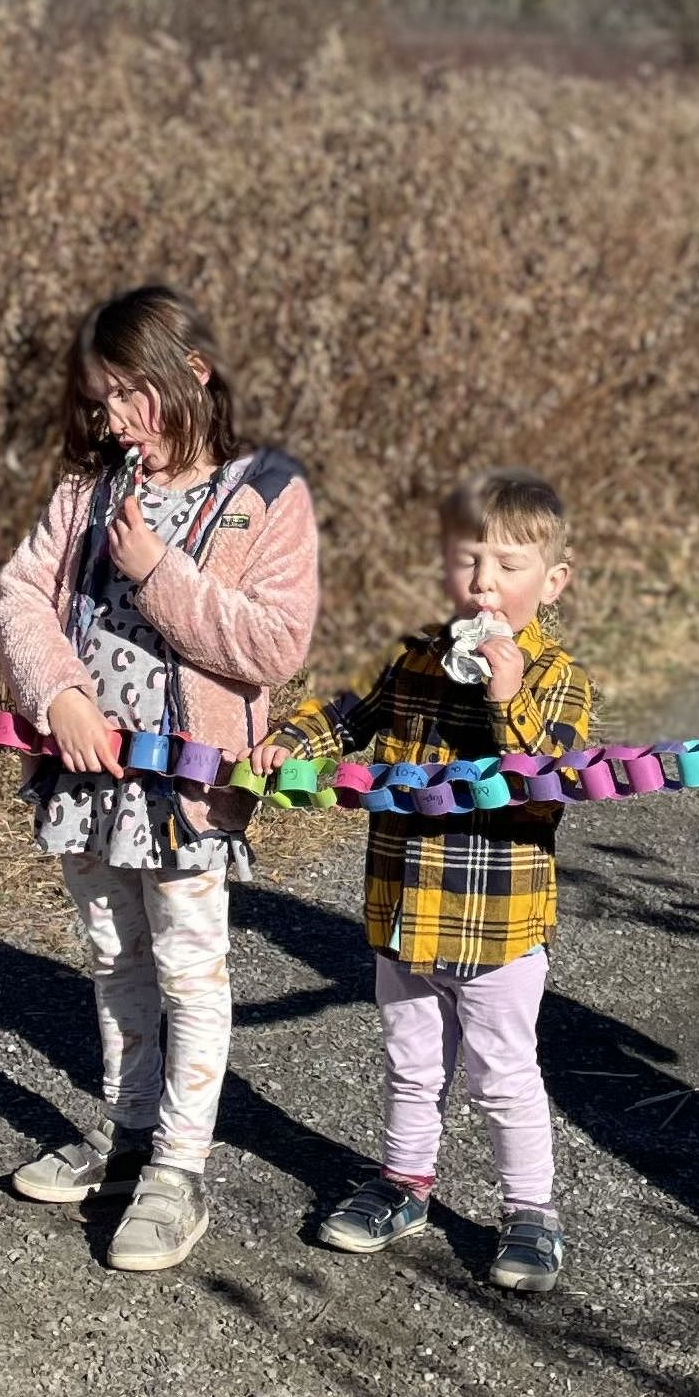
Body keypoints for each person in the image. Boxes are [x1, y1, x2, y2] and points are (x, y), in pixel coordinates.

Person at [0, 286, 320, 1272]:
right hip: (87, 783)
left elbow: (272, 643)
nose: (118, 419)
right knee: (111, 957)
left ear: (195, 374)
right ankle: (127, 1131)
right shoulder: (82, 491)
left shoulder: (266, 495)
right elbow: (21, 594)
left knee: (190, 968)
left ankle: (178, 1171)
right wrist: (59, 696)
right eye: (102, 400)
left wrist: (155, 570)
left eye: (135, 394)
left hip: (186, 794)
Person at [250, 470, 596, 1293]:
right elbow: (343, 712)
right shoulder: (414, 657)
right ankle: (404, 1184)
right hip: (402, 908)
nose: (484, 583)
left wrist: (507, 699)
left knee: (501, 1072)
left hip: (495, 923)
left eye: (508, 566)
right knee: (410, 1060)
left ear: (552, 583)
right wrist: (292, 742)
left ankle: (530, 1212)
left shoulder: (559, 681)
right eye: (467, 562)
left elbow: (549, 777)